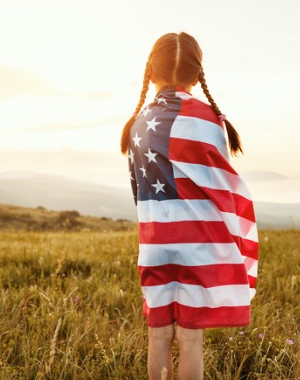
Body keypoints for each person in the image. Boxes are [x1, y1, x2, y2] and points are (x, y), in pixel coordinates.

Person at [121, 32, 259, 380]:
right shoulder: (209, 119)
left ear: (150, 73)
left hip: (155, 243)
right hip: (198, 244)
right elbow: (219, 187)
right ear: (197, 76)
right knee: (191, 338)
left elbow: (139, 191)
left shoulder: (137, 124)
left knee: (158, 333)